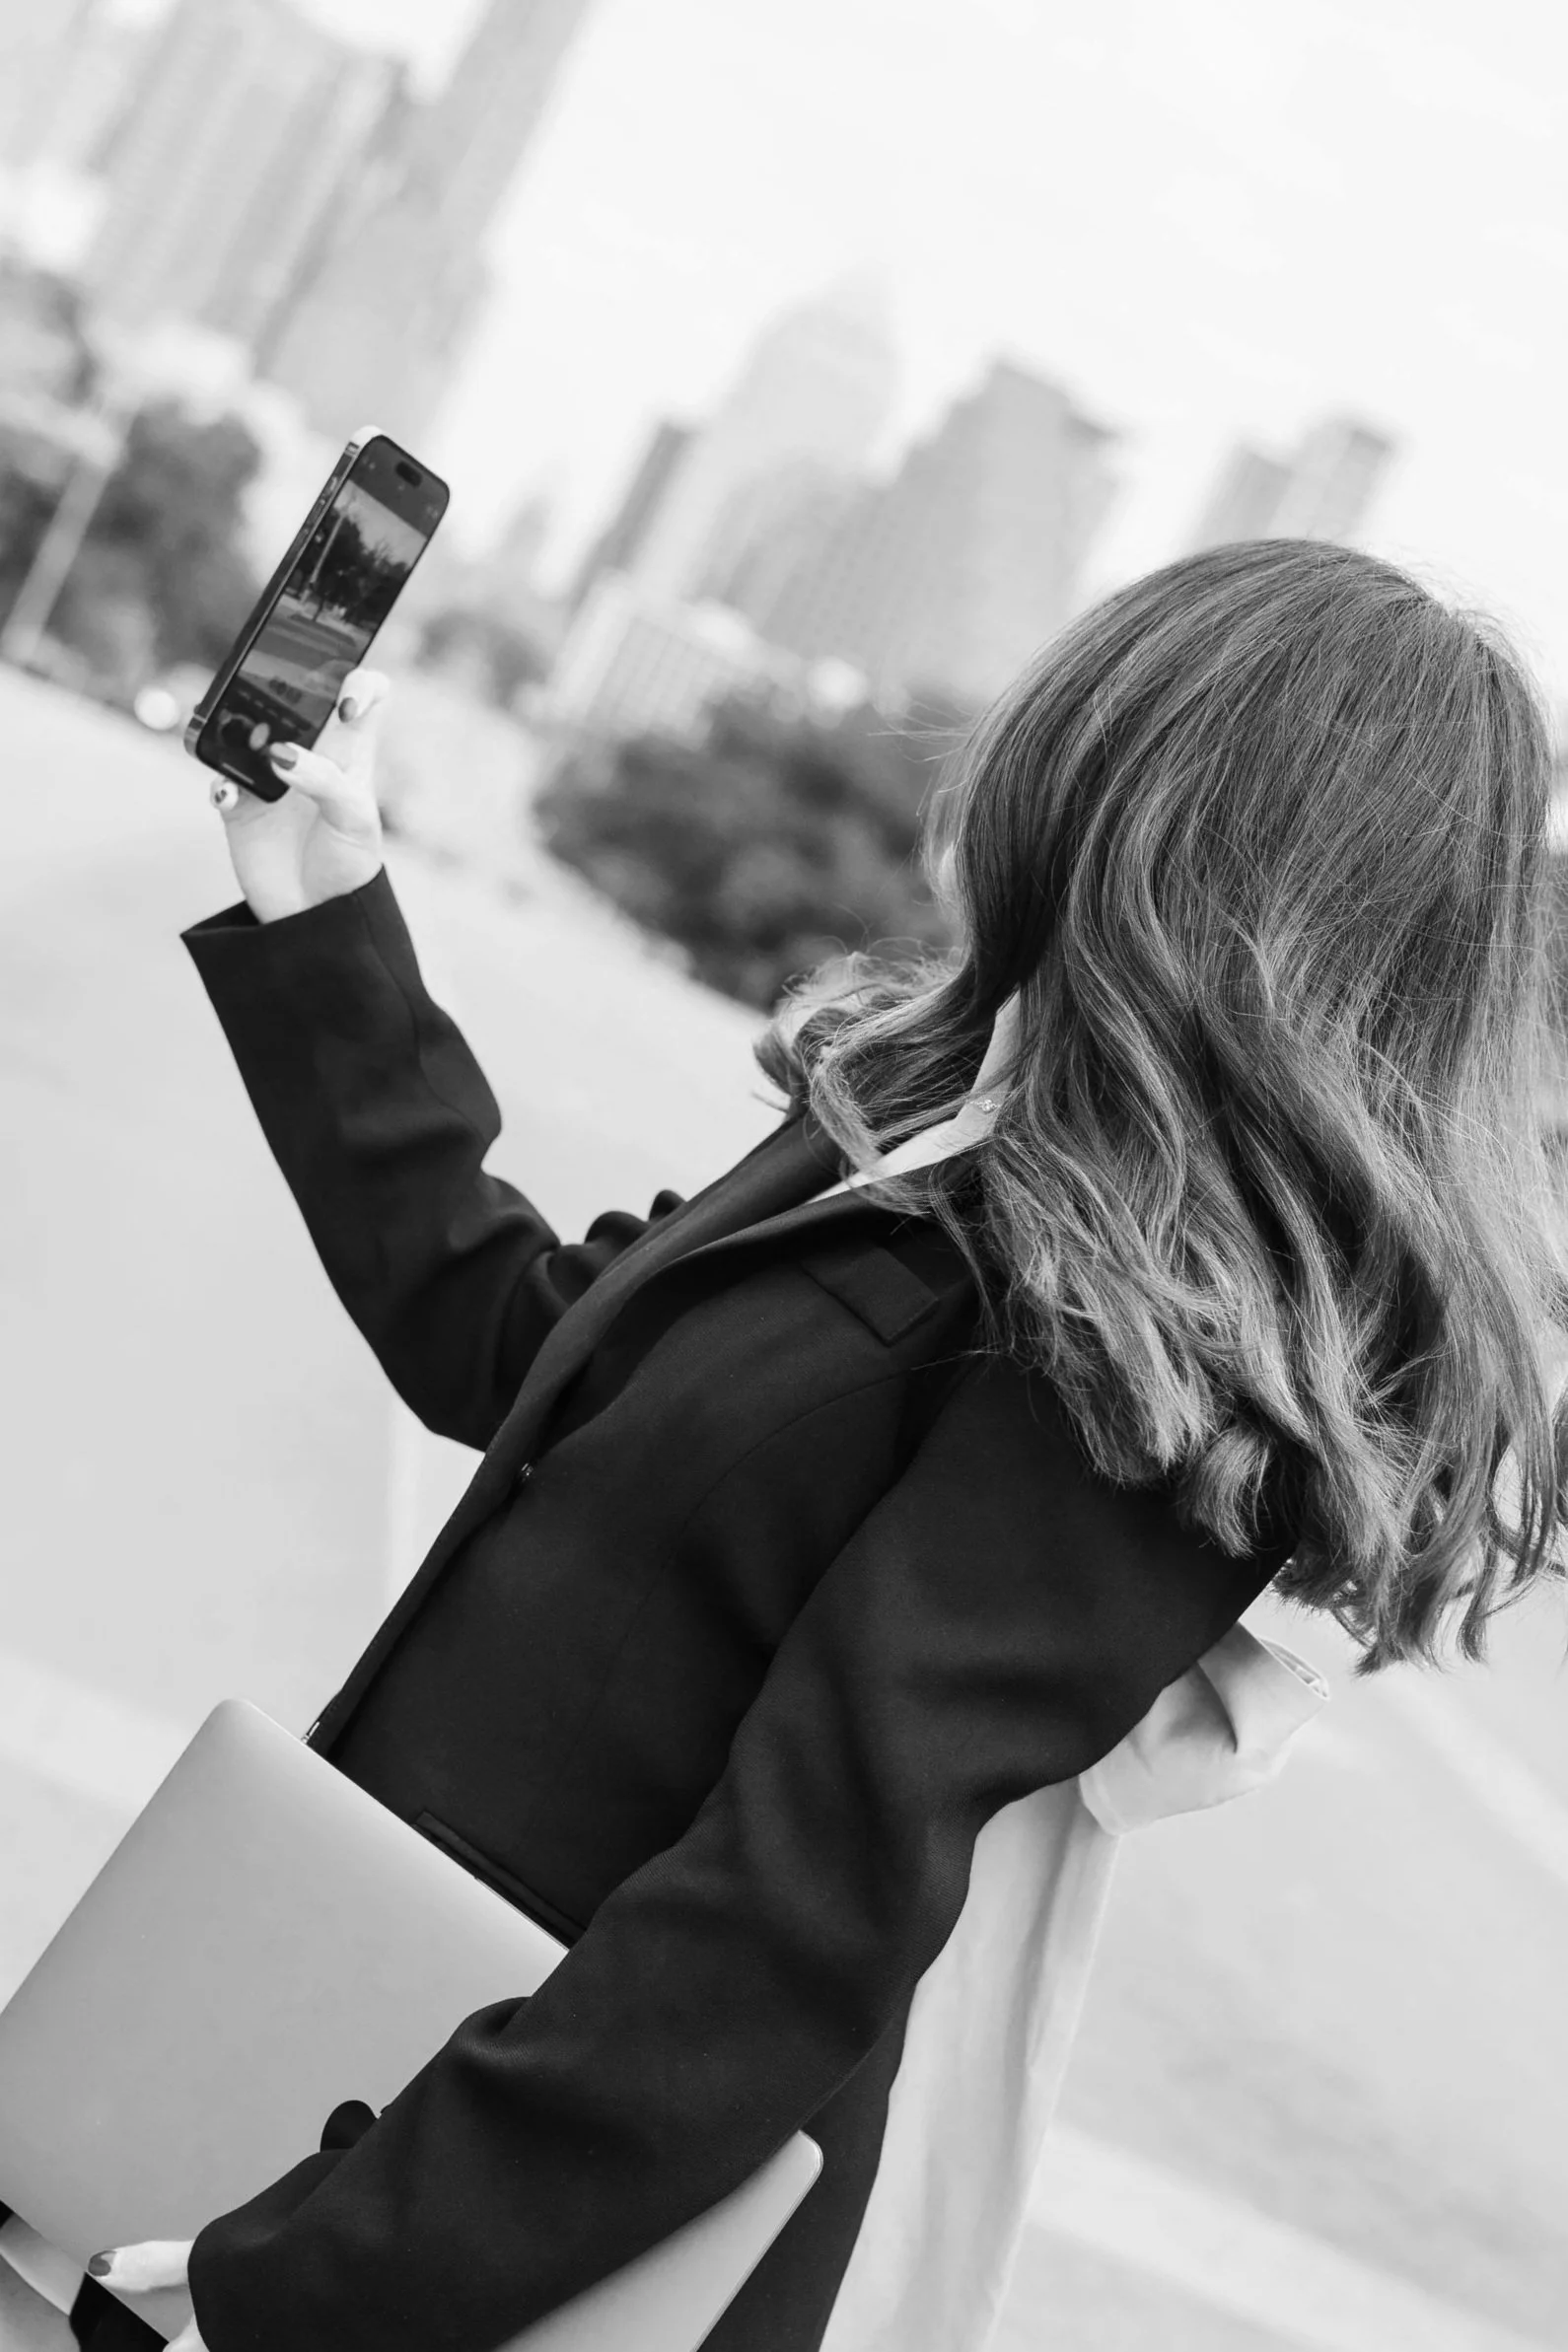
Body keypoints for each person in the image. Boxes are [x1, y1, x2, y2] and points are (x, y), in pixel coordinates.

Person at [68, 538, 1568, 2352]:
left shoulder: (1146, 1357)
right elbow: (524, 1349)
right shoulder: (928, 1126)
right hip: (361, 2041)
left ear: (1158, 806)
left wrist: (322, 2291)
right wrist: (327, 919)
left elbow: (785, 1926)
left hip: (512, 2235)